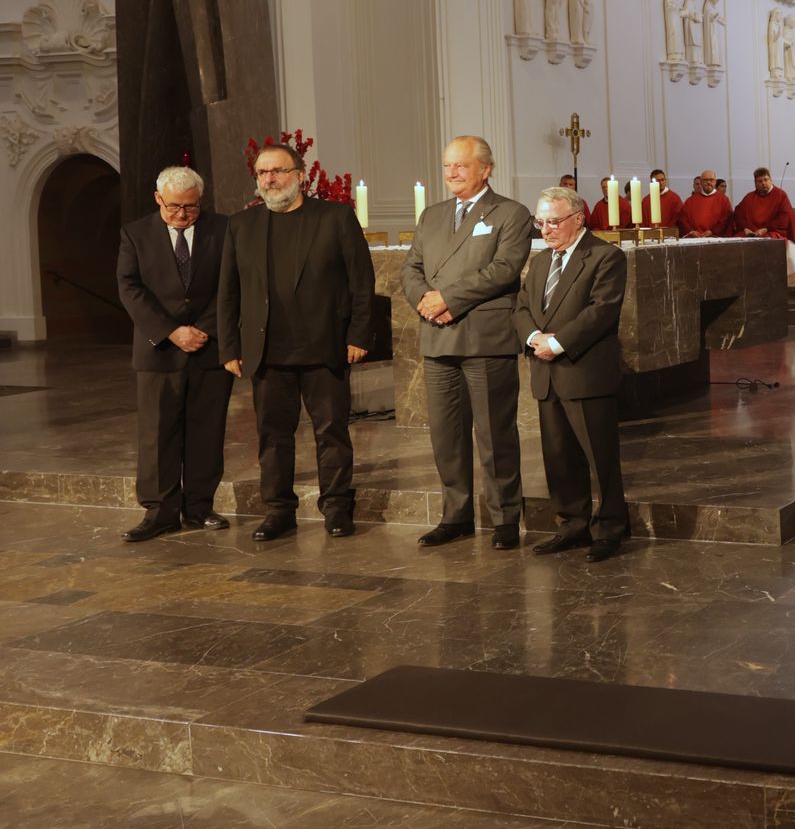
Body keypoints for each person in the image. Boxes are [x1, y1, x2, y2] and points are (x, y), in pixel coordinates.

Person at [219, 141, 375, 541]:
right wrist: (230, 347)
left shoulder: (335, 217)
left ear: (300, 176)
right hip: (267, 349)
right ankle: (278, 509)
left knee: (332, 433)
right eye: (262, 173)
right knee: (273, 435)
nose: (270, 179)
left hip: (325, 344)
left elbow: (362, 282)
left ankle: (337, 507)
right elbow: (228, 292)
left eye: (278, 171)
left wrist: (358, 334)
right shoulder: (242, 225)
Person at [401, 136, 535, 551]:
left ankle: (505, 518)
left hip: (485, 338)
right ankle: (455, 516)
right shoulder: (432, 215)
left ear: (485, 169)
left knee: (494, 434)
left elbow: (503, 269)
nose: (452, 173)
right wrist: (426, 301)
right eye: (447, 166)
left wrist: (448, 299)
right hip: (438, 336)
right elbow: (412, 267)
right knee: (446, 436)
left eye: (461, 165)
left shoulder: (511, 213)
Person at [114, 166, 233, 541]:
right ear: (158, 199)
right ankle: (160, 512)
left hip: (208, 346)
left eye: (191, 208)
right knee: (157, 433)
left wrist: (205, 329)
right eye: (174, 208)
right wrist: (171, 331)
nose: (182, 215)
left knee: (206, 430)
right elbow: (129, 288)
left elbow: (233, 285)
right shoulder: (135, 233)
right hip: (159, 349)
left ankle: (199, 507)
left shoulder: (224, 229)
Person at [516, 186, 630, 563]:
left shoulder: (604, 257)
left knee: (599, 458)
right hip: (546, 374)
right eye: (540, 222)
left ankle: (611, 528)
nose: (545, 230)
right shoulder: (540, 262)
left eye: (553, 222)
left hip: (583, 372)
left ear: (578, 219)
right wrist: (534, 337)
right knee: (559, 457)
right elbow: (521, 308)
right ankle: (571, 525)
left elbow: (601, 311)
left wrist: (558, 342)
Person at [735, 167, 795, 279]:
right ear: (755, 183)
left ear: (771, 180)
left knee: (770, 243)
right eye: (760, 181)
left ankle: (770, 276)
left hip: (773, 231)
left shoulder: (780, 195)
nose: (763, 183)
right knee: (738, 239)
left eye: (766, 180)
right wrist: (745, 228)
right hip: (752, 233)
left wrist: (765, 229)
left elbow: (783, 218)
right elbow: (738, 213)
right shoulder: (750, 197)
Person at [677, 170, 735, 237]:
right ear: (701, 182)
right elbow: (683, 219)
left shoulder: (723, 199)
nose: (708, 182)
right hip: (695, 238)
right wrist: (691, 231)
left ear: (715, 182)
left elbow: (726, 220)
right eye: (705, 180)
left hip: (715, 238)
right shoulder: (690, 200)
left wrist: (712, 231)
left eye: (711, 180)